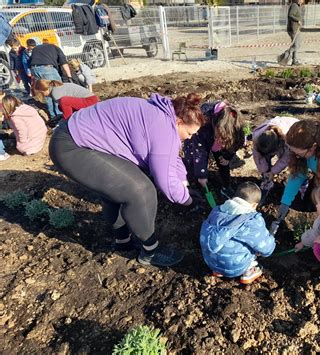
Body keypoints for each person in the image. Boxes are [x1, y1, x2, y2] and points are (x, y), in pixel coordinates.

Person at [49, 93, 205, 267]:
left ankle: (123, 242)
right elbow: (166, 183)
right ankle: (150, 251)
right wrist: (188, 200)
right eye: (190, 133)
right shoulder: (163, 127)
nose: (190, 137)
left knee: (119, 188)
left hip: (78, 138)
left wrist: (183, 182)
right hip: (71, 146)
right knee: (140, 190)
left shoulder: (164, 114)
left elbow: (170, 157)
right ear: (179, 122)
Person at [200, 182, 276, 284]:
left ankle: (218, 271)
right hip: (235, 267)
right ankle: (249, 272)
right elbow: (266, 248)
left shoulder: (216, 212)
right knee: (254, 251)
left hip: (210, 262)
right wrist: (271, 243)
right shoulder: (251, 221)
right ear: (254, 205)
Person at [183, 100, 245, 198]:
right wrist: (201, 174)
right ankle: (194, 183)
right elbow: (199, 151)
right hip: (199, 140)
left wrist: (227, 158)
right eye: (219, 138)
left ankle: (226, 187)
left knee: (223, 162)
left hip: (219, 138)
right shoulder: (202, 118)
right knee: (192, 161)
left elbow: (236, 144)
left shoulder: (235, 124)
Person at [252, 116, 299, 188]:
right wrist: (264, 170)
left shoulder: (288, 141)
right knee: (264, 160)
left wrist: (273, 171)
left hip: (296, 129)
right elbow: (257, 156)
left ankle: (298, 183)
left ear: (278, 147)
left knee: (296, 161)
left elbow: (286, 158)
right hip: (278, 130)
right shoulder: (257, 137)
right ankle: (266, 177)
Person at [29, 43, 73, 119]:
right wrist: (69, 77)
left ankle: (53, 116)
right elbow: (64, 63)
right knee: (57, 90)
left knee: (45, 92)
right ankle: (59, 115)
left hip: (34, 69)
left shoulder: (36, 48)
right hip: (47, 68)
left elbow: (29, 61)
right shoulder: (56, 48)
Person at [34, 79, 98, 120]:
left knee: (63, 101)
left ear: (43, 90)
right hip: (90, 100)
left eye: (41, 94)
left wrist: (66, 119)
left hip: (90, 102)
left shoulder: (55, 93)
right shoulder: (54, 87)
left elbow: (65, 103)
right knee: (60, 107)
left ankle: (69, 121)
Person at [287, 0, 303, 66]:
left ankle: (294, 60)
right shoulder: (294, 5)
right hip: (293, 29)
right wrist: (298, 20)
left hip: (297, 28)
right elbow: (290, 15)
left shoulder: (297, 6)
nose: (303, 1)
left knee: (297, 44)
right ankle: (287, 53)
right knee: (296, 45)